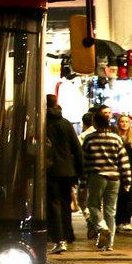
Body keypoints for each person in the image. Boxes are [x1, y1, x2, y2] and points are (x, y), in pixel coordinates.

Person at [82, 110, 132, 251]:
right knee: (111, 210)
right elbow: (123, 160)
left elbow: (85, 162)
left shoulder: (90, 139)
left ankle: (101, 227)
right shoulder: (116, 138)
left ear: (95, 123)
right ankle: (109, 244)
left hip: (97, 176)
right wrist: (127, 180)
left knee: (93, 205)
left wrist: (83, 183)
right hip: (114, 177)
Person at [44, 94, 83, 253]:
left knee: (53, 204)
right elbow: (77, 149)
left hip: (50, 170)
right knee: (66, 203)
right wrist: (79, 172)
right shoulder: (66, 123)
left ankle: (58, 239)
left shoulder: (43, 123)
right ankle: (67, 235)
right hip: (67, 171)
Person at [115, 113, 132, 231]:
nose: (124, 124)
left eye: (126, 122)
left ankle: (126, 220)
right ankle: (118, 221)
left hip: (131, 171)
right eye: (122, 121)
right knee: (119, 196)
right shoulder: (115, 137)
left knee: (129, 197)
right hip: (117, 171)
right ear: (118, 123)